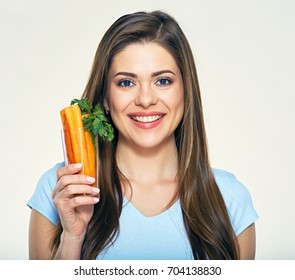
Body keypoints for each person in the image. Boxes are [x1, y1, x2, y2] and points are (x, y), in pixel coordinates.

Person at [27, 10, 258, 260]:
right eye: (126, 82)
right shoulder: (61, 190)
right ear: (105, 97)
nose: (146, 100)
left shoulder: (230, 198)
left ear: (185, 91)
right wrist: (72, 237)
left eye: (163, 81)